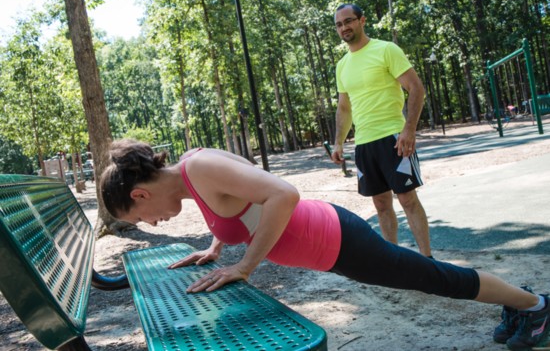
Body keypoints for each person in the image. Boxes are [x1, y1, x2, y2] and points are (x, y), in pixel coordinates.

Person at [100, 139, 549, 351]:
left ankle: (534, 305)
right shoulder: (194, 176)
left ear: (139, 194)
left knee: (435, 279)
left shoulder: (200, 167)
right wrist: (218, 248)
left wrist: (246, 266)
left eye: (140, 216)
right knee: (431, 278)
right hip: (332, 245)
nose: (151, 222)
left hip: (337, 239)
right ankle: (523, 304)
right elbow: (239, 204)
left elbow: (283, 193)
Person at [331, 3, 432, 257]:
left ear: (362, 21)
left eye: (349, 21)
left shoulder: (386, 50)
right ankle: (394, 262)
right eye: (339, 24)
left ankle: (429, 261)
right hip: (365, 144)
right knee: (381, 205)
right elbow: (344, 108)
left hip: (393, 138)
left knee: (407, 199)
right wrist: (339, 143)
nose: (344, 27)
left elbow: (416, 88)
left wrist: (409, 130)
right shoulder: (342, 65)